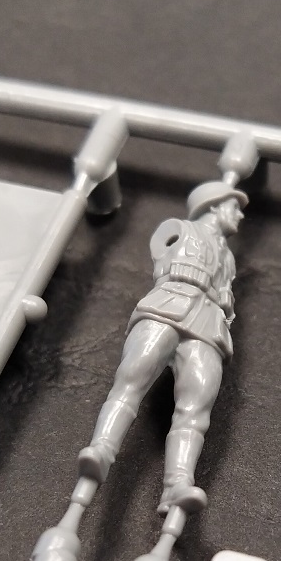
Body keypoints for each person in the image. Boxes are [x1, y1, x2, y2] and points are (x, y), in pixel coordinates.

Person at [76, 180, 247, 514]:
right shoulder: (178, 229)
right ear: (213, 204)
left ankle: (177, 483)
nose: (239, 214)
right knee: (132, 377)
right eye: (233, 206)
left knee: (197, 404)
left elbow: (226, 298)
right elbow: (159, 254)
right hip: (167, 305)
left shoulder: (228, 258)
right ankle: (102, 448)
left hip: (208, 324)